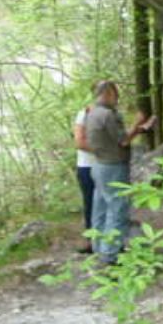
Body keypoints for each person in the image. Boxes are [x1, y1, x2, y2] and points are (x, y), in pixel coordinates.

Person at [85, 80, 155, 265]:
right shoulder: (108, 115)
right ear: (108, 93)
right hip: (113, 167)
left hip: (98, 165)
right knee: (117, 210)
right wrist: (138, 123)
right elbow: (123, 140)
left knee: (100, 209)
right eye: (115, 95)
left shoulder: (91, 113)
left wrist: (139, 129)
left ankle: (99, 247)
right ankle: (110, 256)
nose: (117, 99)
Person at [72, 93, 96, 255]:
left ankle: (110, 240)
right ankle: (91, 241)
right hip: (87, 166)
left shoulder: (111, 115)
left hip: (107, 165)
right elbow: (79, 142)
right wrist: (104, 150)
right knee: (90, 204)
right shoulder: (84, 114)